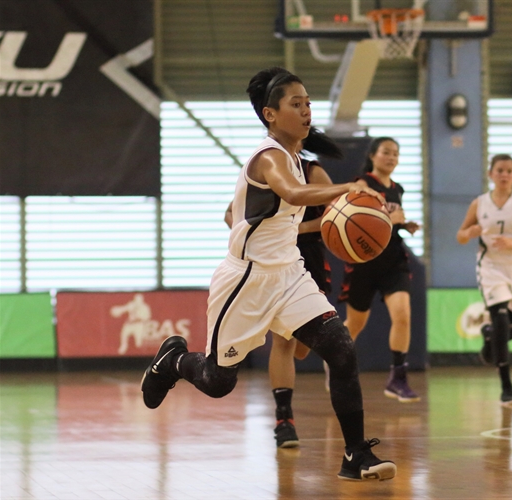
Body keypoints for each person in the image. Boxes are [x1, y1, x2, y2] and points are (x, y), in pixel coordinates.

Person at [141, 67, 397, 481]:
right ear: (270, 114)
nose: (306, 110)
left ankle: (354, 455)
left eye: (309, 103)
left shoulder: (299, 159)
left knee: (341, 348)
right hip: (246, 279)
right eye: (296, 104)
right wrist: (347, 189)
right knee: (217, 380)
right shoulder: (269, 157)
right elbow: (293, 196)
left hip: (289, 275)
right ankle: (173, 362)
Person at [223, 128, 339, 449]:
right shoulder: (265, 165)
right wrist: (251, 232)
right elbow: (230, 212)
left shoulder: (313, 171)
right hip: (274, 262)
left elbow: (337, 215)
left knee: (301, 346)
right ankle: (284, 419)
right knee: (284, 342)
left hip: (309, 258)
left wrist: (298, 227)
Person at [456, 154, 512, 406]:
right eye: (500, 170)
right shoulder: (479, 203)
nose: (504, 175)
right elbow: (460, 236)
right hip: (491, 267)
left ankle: (488, 338)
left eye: (508, 171)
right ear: (491, 174)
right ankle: (507, 387)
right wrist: (469, 232)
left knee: (510, 331)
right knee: (501, 318)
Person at [336, 137, 421, 403]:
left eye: (396, 153)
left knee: (403, 316)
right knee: (356, 324)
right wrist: (388, 217)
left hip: (393, 260)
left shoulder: (398, 189)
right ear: (373, 155)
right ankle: (334, 359)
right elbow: (355, 218)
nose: (392, 157)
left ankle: (398, 378)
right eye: (386, 152)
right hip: (364, 261)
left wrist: (403, 225)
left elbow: (388, 224)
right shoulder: (363, 184)